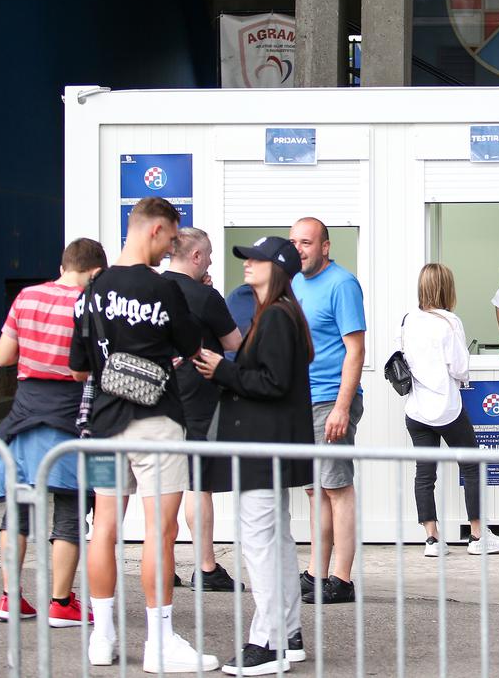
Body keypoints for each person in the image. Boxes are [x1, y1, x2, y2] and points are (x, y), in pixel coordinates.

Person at [69, 196, 218, 672]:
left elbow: (77, 370)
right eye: (171, 238)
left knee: (104, 528)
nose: (171, 249)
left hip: (104, 423)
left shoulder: (92, 290)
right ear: (155, 230)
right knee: (161, 530)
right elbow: (192, 347)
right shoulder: (162, 289)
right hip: (157, 419)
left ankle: (102, 637)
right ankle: (159, 642)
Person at [193, 236, 315, 674]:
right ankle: (287, 634)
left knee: (262, 546)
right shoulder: (277, 313)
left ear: (276, 269)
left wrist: (224, 370)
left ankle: (268, 643)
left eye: (256, 259)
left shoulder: (277, 316)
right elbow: (270, 378)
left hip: (263, 450)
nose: (247, 265)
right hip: (267, 449)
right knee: (274, 543)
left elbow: (273, 382)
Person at [0, 238, 106, 627]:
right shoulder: (87, 304)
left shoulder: (26, 297)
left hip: (23, 413)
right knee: (70, 510)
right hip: (68, 414)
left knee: (16, 510)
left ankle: (9, 598)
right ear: (95, 272)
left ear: (63, 264)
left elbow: (2, 357)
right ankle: (60, 603)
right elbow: (82, 370)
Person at [401, 263, 499, 557]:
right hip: (447, 408)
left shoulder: (408, 320)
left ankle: (432, 540)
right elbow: (461, 368)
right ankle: (477, 536)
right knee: (471, 464)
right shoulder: (450, 322)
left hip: (416, 409)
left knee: (424, 474)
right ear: (447, 289)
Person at [289, 217, 366, 605]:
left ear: (325, 247)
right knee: (314, 490)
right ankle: (318, 572)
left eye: (306, 242)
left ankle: (342, 578)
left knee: (337, 488)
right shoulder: (293, 283)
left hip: (329, 401)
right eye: (294, 242)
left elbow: (355, 350)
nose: (298, 249)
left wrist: (341, 406)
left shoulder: (342, 284)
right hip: (300, 402)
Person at [162, 227, 243, 591]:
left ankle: (162, 565)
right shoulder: (205, 297)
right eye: (208, 255)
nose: (210, 260)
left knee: (162, 486)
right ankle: (207, 568)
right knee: (198, 485)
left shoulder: (153, 289)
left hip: (157, 398)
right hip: (199, 399)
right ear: (196, 256)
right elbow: (234, 343)